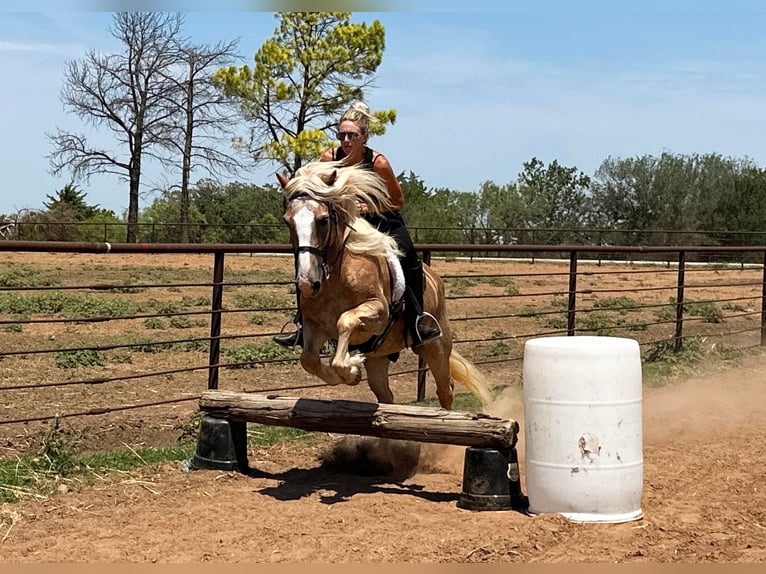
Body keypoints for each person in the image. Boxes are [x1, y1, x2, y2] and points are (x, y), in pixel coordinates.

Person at [274, 101, 442, 350]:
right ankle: (302, 323)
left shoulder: (378, 163)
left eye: (352, 135)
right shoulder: (328, 158)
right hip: (345, 220)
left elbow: (397, 200)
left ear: (365, 136)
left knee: (409, 257)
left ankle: (418, 320)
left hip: (381, 219)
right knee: (308, 255)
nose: (346, 140)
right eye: (342, 135)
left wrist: (367, 208)